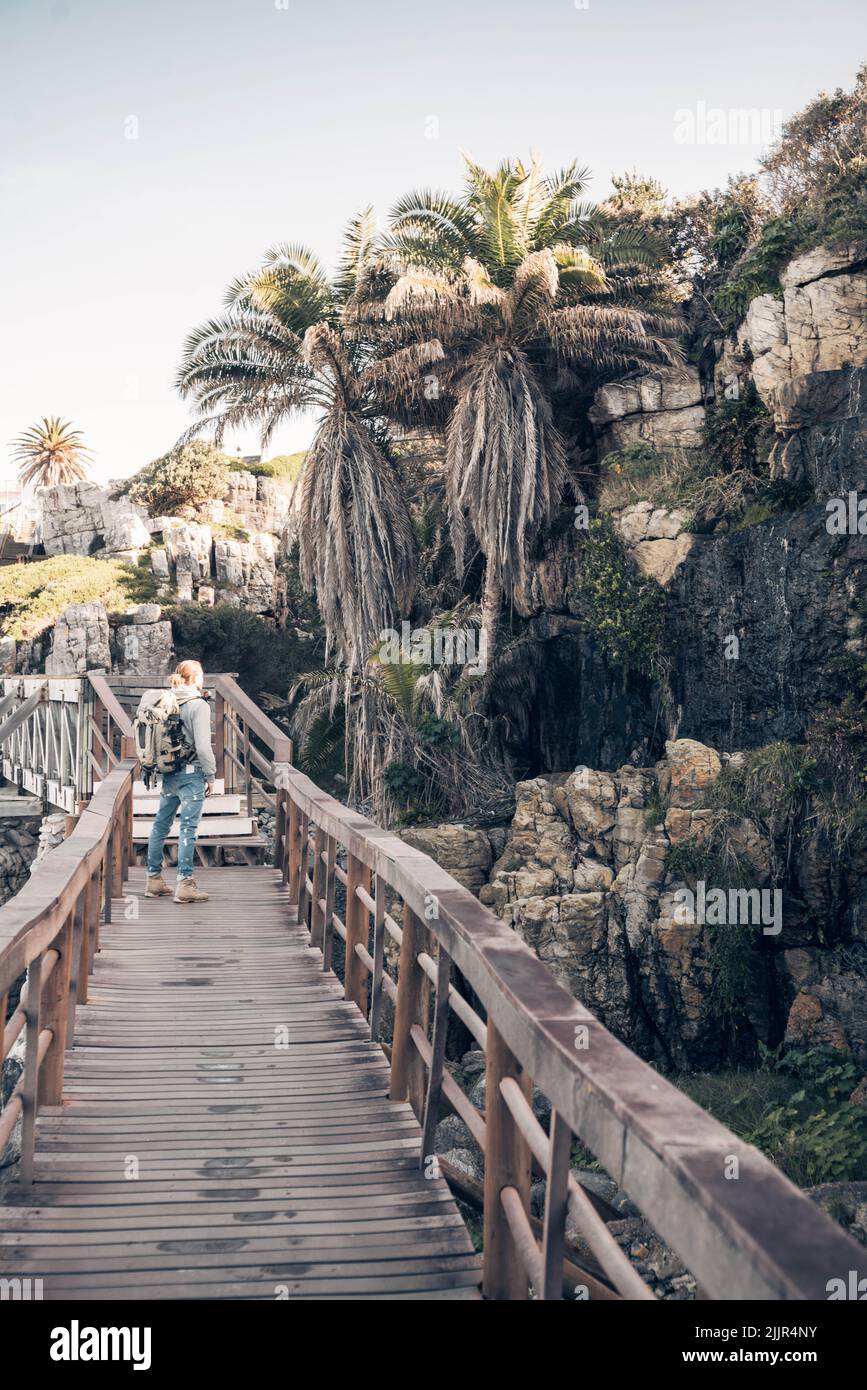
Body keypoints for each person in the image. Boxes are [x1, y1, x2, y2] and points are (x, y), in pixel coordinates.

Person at [145, 660, 216, 904]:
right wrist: (211, 775)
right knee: (188, 828)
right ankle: (185, 884)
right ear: (195, 678)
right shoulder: (198, 705)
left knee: (160, 826)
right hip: (191, 774)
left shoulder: (166, 700)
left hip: (169, 772)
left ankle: (153, 880)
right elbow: (204, 746)